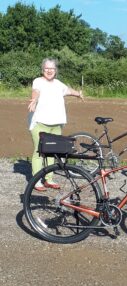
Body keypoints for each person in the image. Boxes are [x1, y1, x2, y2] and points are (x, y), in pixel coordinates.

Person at [28, 58, 84, 191]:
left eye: (52, 68)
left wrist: (78, 94)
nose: (49, 71)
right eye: (47, 68)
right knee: (39, 151)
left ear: (55, 70)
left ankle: (49, 179)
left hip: (56, 125)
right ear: (43, 70)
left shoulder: (58, 84)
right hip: (40, 124)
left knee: (53, 152)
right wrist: (34, 100)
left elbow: (68, 90)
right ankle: (36, 182)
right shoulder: (38, 81)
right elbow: (36, 91)